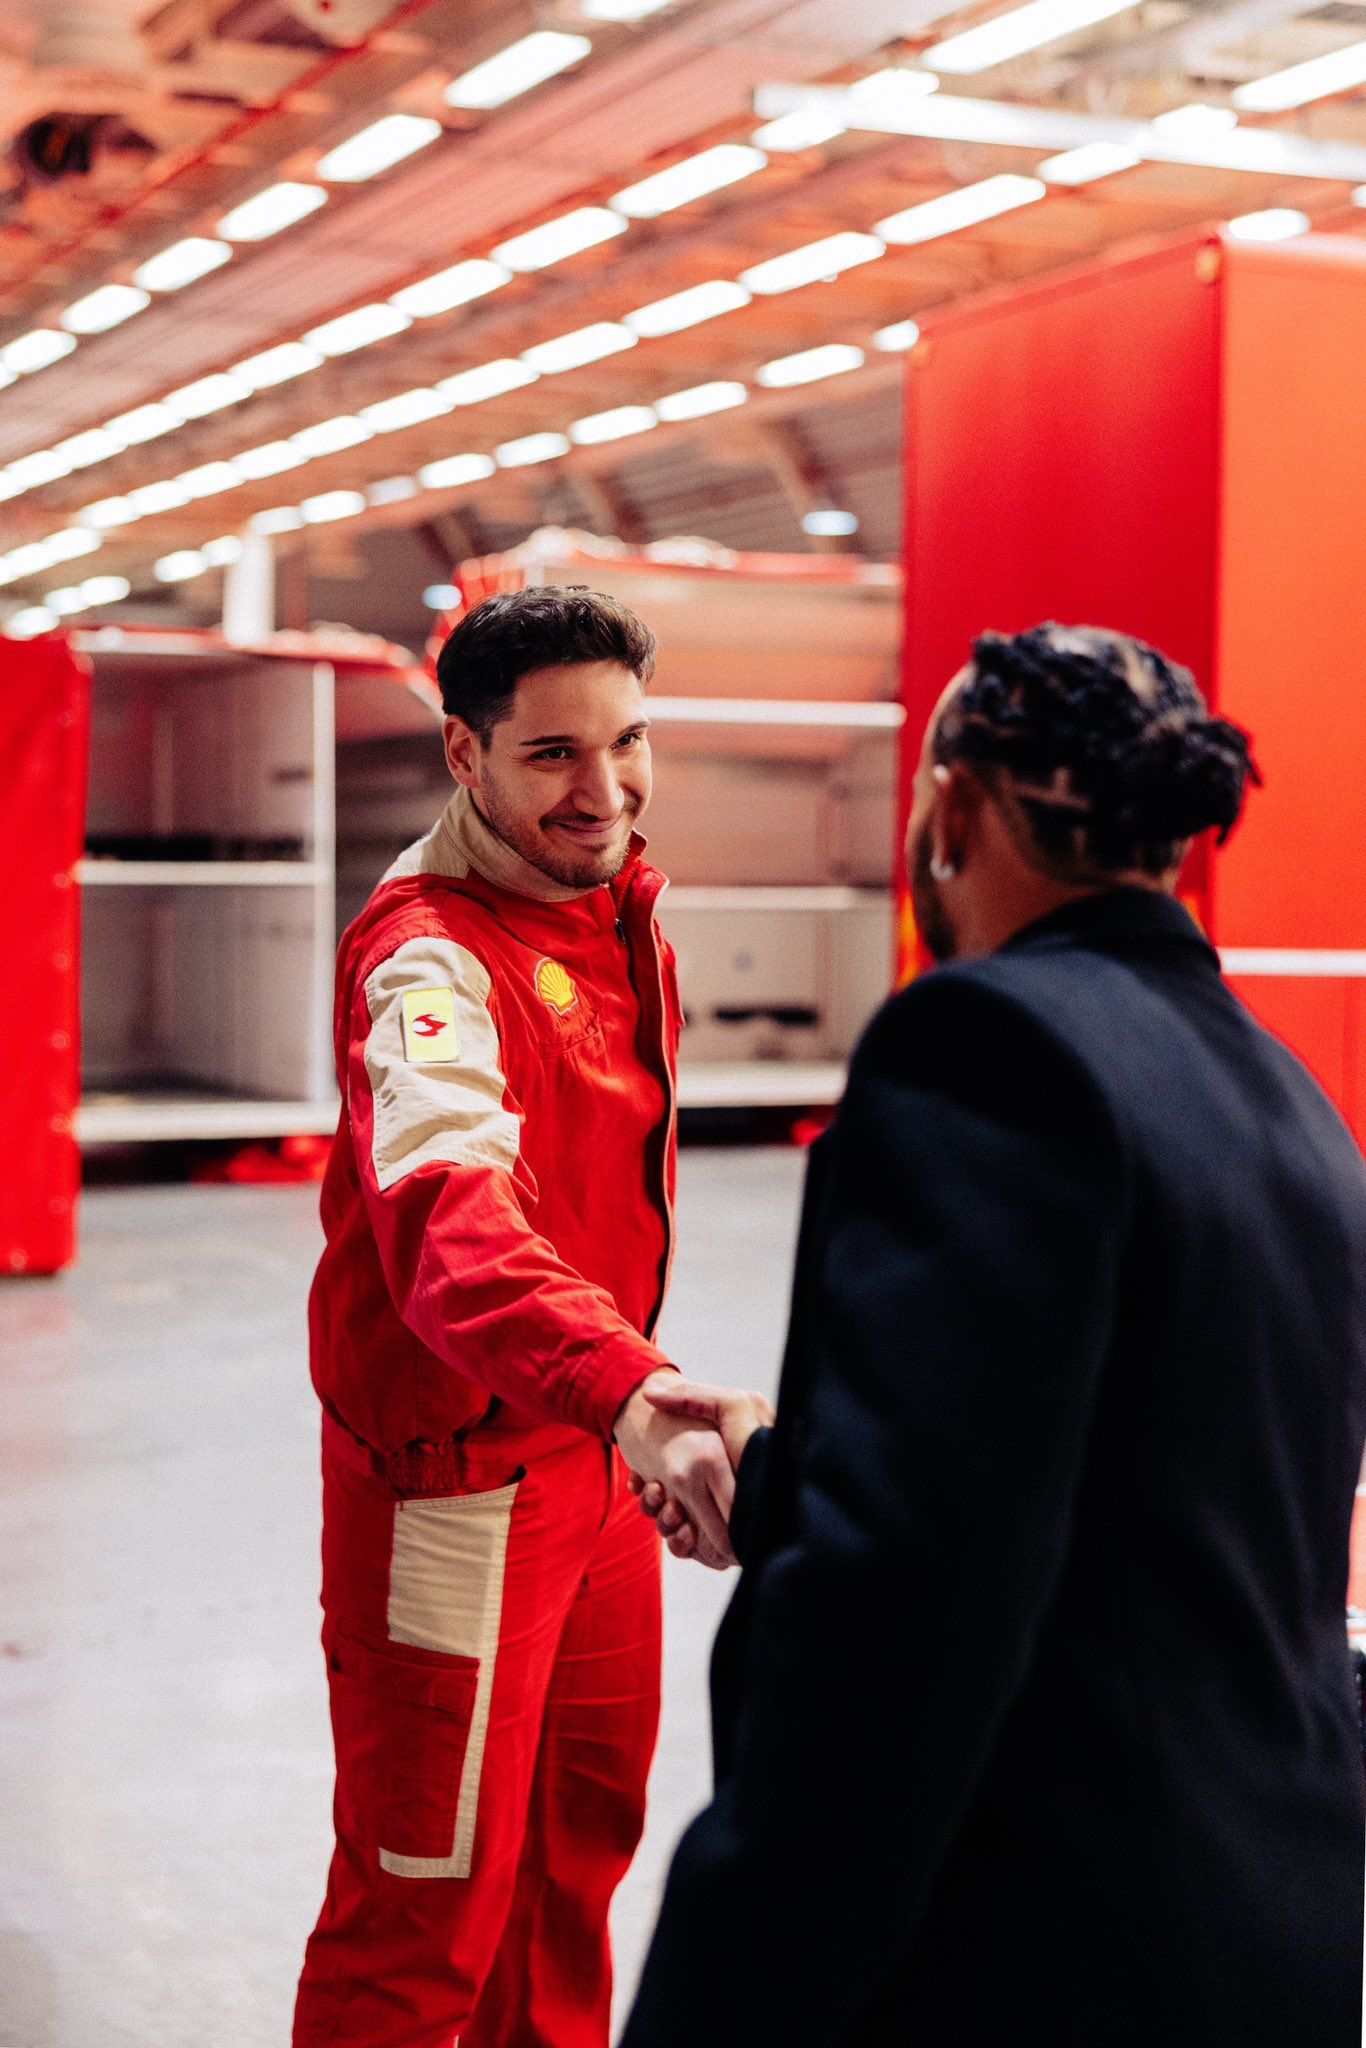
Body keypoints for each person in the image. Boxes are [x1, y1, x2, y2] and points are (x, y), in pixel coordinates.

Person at [622, 623, 1366, 2048]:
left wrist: (720, 1991)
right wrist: (780, 1478)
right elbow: (1144, 1515)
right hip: (1269, 1935)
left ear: (951, 809)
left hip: (1048, 1948)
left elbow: (900, 1619)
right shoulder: (1290, 1104)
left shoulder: (986, 1047)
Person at [293, 585, 742, 2048]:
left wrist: (620, 1413)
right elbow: (449, 1222)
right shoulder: (427, 960)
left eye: (627, 741)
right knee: (419, 1917)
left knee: (568, 1871)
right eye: (552, 753)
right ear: (464, 754)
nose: (602, 790)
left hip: (588, 1456)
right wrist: (633, 1391)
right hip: (459, 1487)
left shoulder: (615, 912)